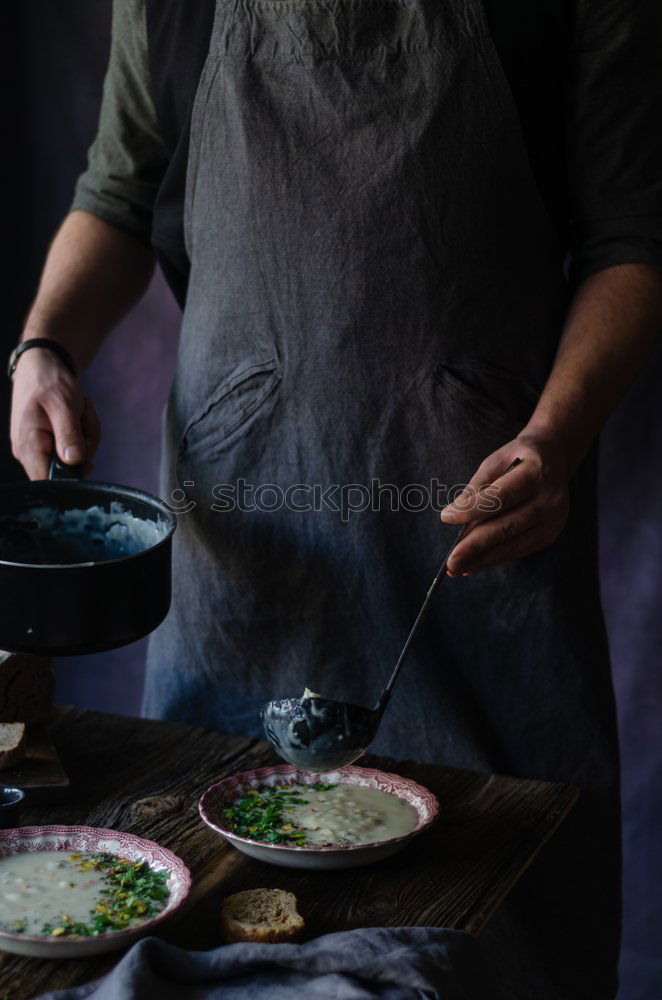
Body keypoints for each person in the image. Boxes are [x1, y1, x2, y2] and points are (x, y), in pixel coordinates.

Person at [9, 0, 662, 996]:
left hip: (477, 534)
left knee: (496, 930)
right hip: (243, 545)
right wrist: (46, 346)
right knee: (207, 905)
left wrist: (554, 436)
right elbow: (118, 189)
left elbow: (631, 236)